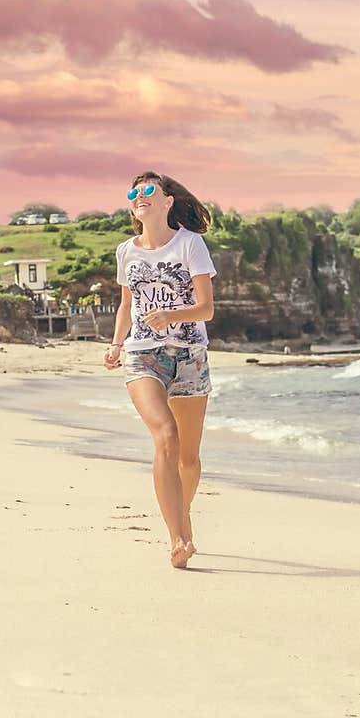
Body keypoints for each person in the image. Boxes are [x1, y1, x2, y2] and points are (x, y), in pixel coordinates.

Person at [103, 171, 217, 570]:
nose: (139, 195)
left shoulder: (191, 244)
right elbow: (125, 304)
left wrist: (171, 313)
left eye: (148, 189)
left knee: (188, 458)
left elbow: (206, 309)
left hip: (189, 355)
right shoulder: (126, 251)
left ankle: (180, 516)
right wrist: (117, 343)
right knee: (165, 436)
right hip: (142, 354)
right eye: (133, 191)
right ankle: (178, 538)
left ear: (167, 201)